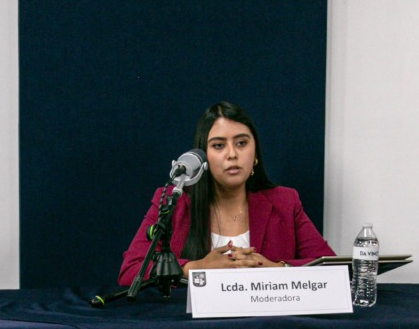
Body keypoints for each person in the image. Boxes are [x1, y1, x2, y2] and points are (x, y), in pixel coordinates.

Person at [118, 101, 333, 286]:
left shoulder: (285, 202)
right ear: (203, 157)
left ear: (255, 152)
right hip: (194, 327)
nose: (232, 154)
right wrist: (195, 268)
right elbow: (130, 272)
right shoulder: (174, 201)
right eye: (219, 145)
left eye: (241, 143)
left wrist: (275, 268)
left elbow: (332, 268)